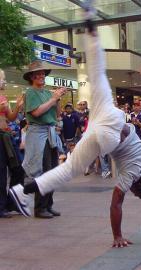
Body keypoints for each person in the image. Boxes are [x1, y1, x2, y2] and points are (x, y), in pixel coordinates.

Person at [9, 13, 141, 248]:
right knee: (69, 169)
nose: (134, 193)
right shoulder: (129, 177)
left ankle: (91, 31)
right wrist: (117, 236)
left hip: (111, 120)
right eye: (139, 194)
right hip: (106, 137)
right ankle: (22, 191)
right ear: (138, 188)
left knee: (97, 76)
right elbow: (116, 205)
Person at [22, 60, 67, 219]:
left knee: (53, 170)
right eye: (38, 74)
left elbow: (56, 114)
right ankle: (40, 207)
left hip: (50, 133)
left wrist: (58, 98)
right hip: (38, 134)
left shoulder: (48, 93)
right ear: (32, 77)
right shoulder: (30, 92)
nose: (41, 76)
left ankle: (48, 204)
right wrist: (53, 98)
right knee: (42, 170)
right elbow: (36, 113)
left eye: (42, 73)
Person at [0, 69, 25, 218]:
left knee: (18, 168)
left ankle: (11, 202)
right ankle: (2, 205)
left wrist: (17, 106)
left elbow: (10, 117)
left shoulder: (3, 97)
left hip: (6, 136)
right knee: (1, 172)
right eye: (2, 79)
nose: (4, 81)